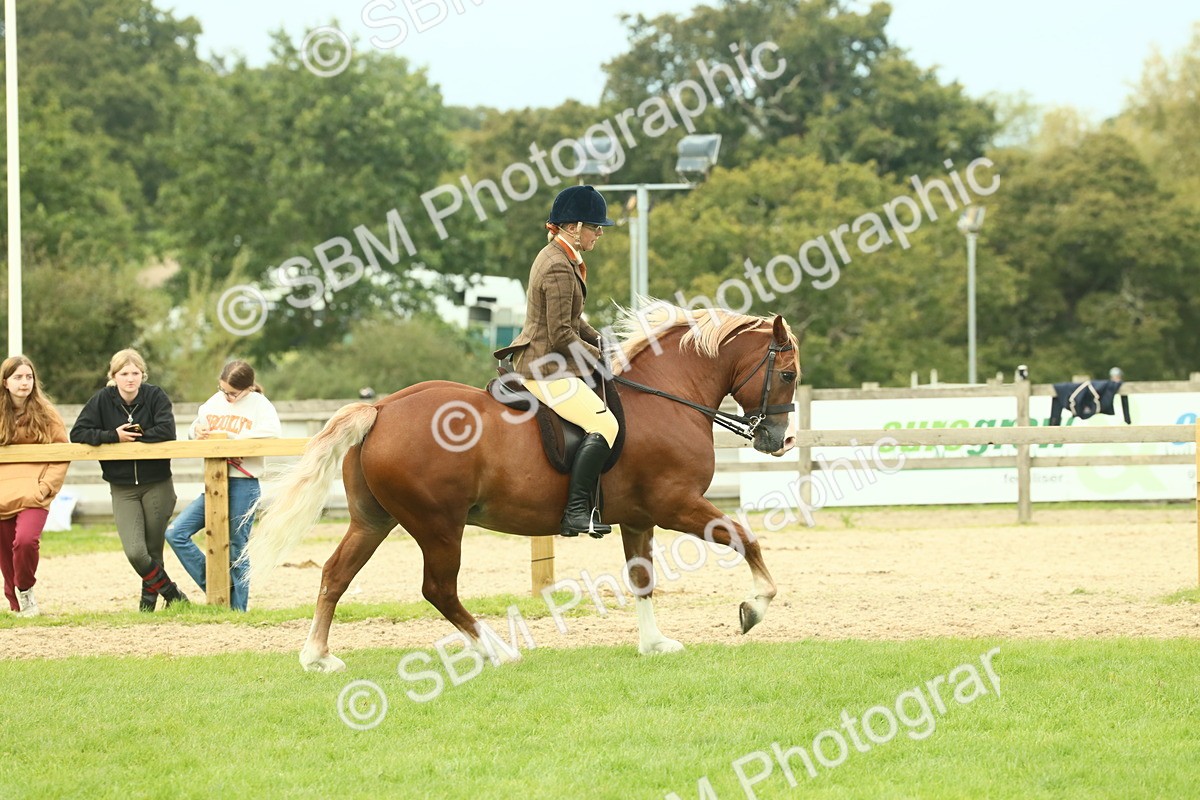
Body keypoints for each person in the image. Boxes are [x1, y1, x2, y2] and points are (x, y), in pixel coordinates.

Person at [493, 184, 619, 539]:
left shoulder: (562, 257)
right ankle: (576, 512)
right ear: (573, 227)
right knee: (605, 425)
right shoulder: (558, 266)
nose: (599, 234)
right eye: (595, 227)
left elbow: (574, 320)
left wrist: (603, 341)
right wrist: (598, 358)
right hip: (544, 368)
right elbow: (562, 334)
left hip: (551, 361)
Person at [69, 349, 187, 611]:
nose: (130, 378)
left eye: (135, 373)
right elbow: (78, 433)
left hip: (157, 483)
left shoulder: (155, 396)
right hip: (122, 487)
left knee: (153, 550)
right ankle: (173, 593)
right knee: (136, 552)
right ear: (114, 376)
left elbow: (167, 430)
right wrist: (113, 436)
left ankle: (147, 605)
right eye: (124, 374)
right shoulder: (102, 400)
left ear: (143, 375)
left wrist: (132, 436)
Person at [166, 360, 281, 611]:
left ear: (248, 388)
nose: (227, 397)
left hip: (244, 483)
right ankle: (219, 588)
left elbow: (272, 432)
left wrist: (233, 441)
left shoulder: (260, 405)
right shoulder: (214, 402)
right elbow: (195, 428)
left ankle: (238, 609)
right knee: (176, 533)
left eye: (233, 393)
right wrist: (197, 431)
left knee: (237, 547)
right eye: (223, 390)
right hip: (213, 481)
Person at [0, 356, 69, 617]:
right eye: (18, 377)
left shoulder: (46, 413)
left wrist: (45, 487)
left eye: (28, 377)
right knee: (5, 553)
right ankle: (16, 604)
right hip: (2, 494)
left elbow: (62, 452)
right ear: (5, 382)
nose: (24, 382)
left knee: (25, 541)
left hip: (33, 494)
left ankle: (26, 589)